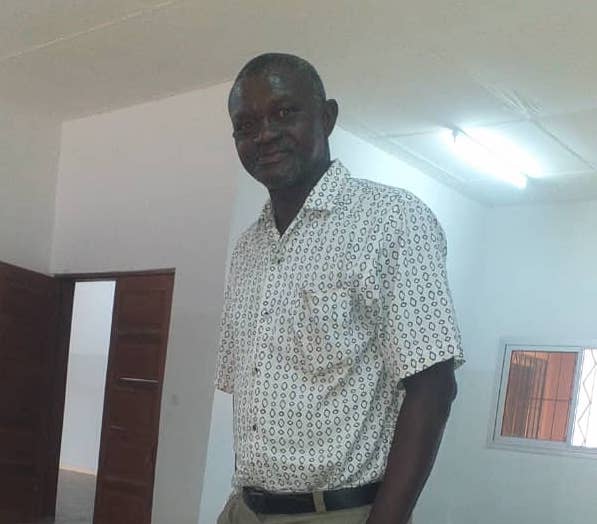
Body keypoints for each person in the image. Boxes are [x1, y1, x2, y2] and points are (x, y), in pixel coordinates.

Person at [215, 52, 464, 524]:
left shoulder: (391, 220)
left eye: (284, 113)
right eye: (246, 125)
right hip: (243, 507)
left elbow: (433, 387)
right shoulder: (247, 249)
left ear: (326, 117)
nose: (264, 134)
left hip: (337, 513)